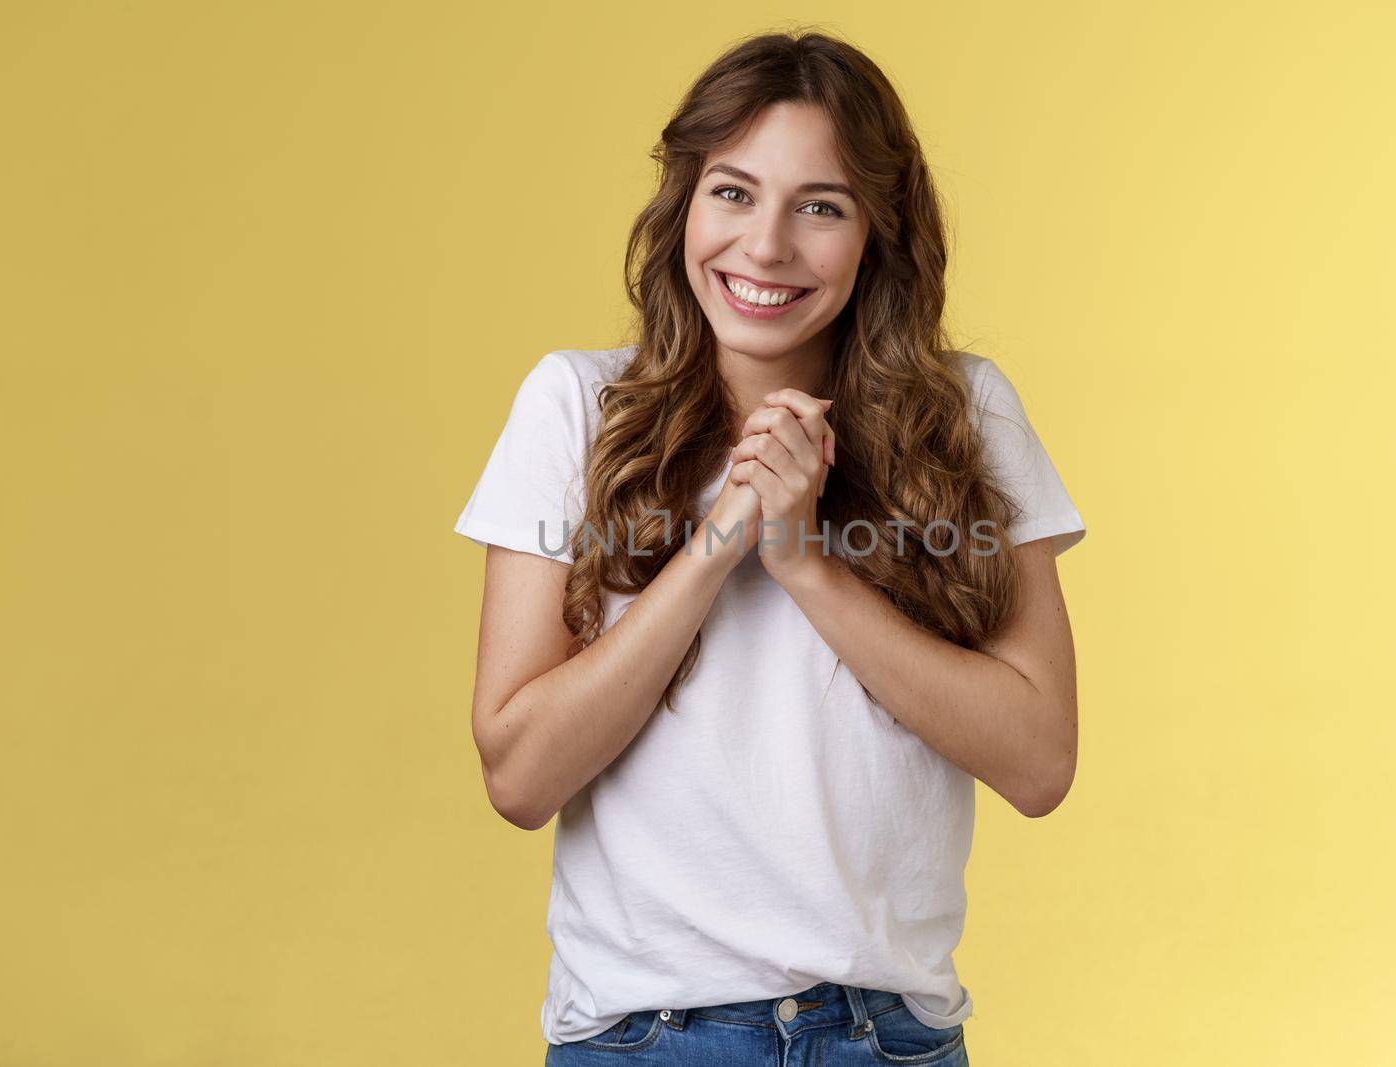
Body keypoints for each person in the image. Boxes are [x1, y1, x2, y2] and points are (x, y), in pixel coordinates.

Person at [453, 29, 1086, 1066]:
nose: (765, 246)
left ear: (879, 231)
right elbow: (519, 776)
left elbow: (1039, 759)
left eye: (820, 206)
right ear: (683, 205)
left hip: (886, 1040)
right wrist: (718, 544)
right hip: (646, 1039)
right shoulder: (575, 406)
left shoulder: (966, 417)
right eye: (733, 192)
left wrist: (804, 564)